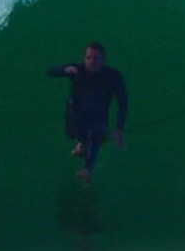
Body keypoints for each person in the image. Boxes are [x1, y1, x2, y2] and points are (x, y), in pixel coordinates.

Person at [48, 42, 128, 182]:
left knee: (96, 133)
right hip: (76, 114)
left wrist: (119, 128)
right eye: (88, 58)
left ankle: (87, 169)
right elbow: (51, 72)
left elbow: (123, 103)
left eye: (95, 58)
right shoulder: (77, 70)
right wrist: (64, 69)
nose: (91, 61)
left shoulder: (113, 76)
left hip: (98, 115)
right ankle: (82, 143)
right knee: (78, 114)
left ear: (103, 59)